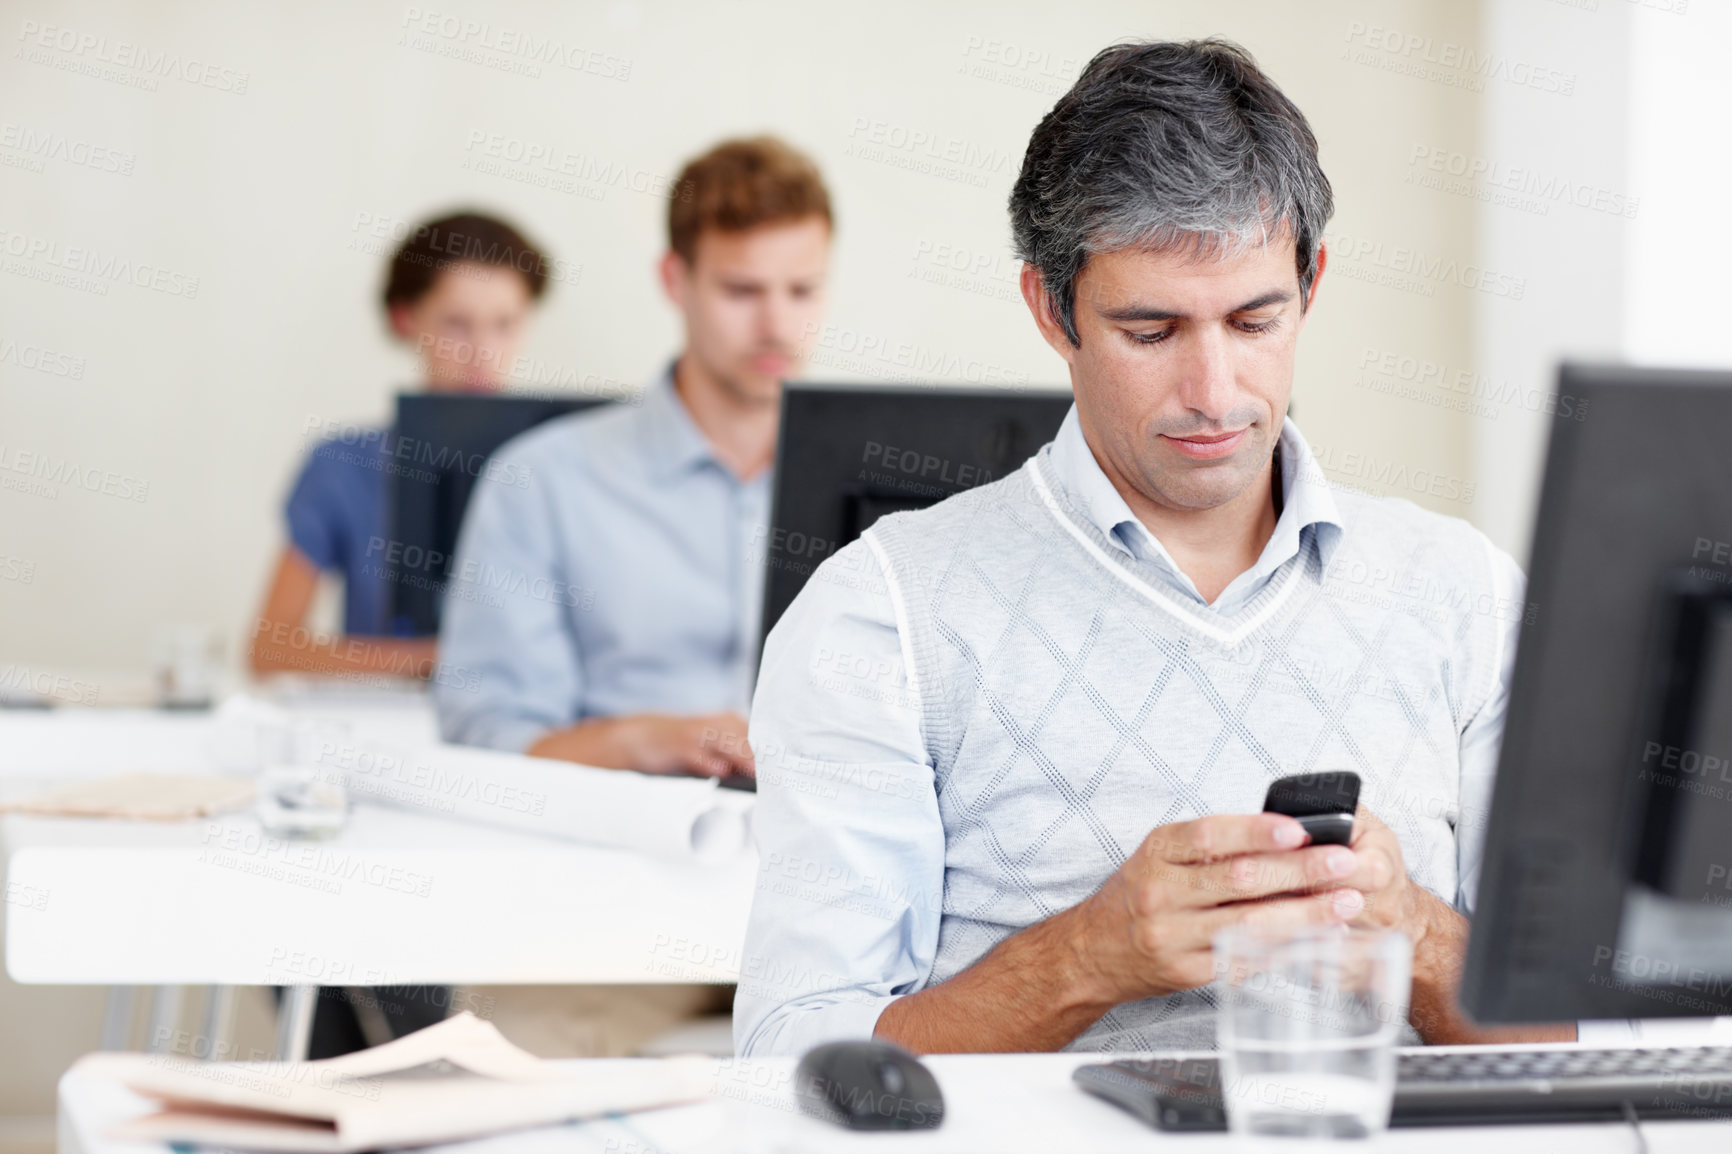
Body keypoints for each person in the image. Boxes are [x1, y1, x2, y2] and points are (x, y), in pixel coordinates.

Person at [736, 40, 1572, 1057]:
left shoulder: (1467, 592)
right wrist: (1086, 957)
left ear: (1309, 282)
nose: (1215, 392)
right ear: (1051, 310)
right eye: (1150, 329)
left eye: (1254, 318)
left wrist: (1416, 934)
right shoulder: (882, 612)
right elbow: (789, 1060)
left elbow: (1590, 1046)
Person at [435, 137, 833, 779]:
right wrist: (641, 742)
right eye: (741, 290)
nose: (776, 326)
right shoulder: (541, 481)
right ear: (676, 281)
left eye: (803, 290)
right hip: (617, 846)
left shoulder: (879, 477)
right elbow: (488, 737)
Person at [250, 211, 551, 680]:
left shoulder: (561, 464)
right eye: (456, 323)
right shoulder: (342, 466)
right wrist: (439, 660)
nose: (482, 351)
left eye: (505, 324)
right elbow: (270, 652)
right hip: (387, 733)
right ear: (405, 318)